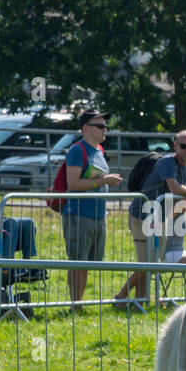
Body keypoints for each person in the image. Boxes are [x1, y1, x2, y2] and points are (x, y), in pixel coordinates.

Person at [115, 129, 186, 307]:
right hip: (143, 215)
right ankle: (121, 296)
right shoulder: (167, 162)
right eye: (184, 146)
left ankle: (142, 301)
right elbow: (175, 188)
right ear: (175, 145)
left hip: (162, 219)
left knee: (151, 261)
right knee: (149, 262)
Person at [62, 110, 122, 307]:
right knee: (78, 262)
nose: (105, 130)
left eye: (106, 126)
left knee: (86, 263)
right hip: (79, 214)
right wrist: (104, 180)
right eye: (100, 126)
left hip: (97, 215)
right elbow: (74, 183)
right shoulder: (78, 150)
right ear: (86, 128)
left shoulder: (99, 151)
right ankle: (75, 304)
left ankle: (77, 303)